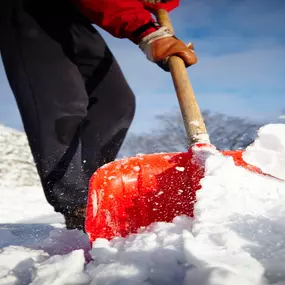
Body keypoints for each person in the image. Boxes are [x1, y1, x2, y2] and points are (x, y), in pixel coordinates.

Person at [0, 0, 197, 231]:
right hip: (27, 9)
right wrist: (146, 32)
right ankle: (77, 205)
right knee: (63, 103)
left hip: (72, 15)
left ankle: (95, 190)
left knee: (115, 103)